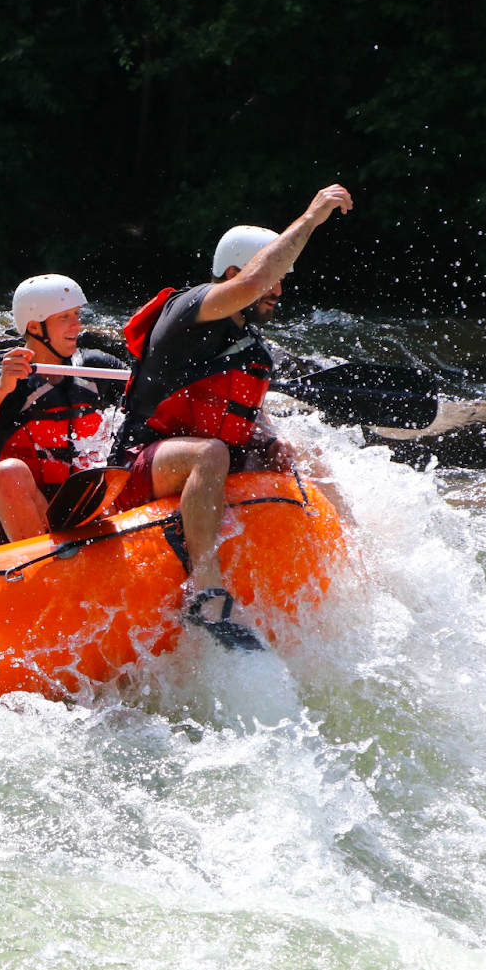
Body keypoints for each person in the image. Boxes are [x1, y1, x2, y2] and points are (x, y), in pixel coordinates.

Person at [109, 184, 355, 651]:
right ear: (238, 272)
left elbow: (248, 416)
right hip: (142, 467)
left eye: (282, 279)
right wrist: (310, 218)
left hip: (209, 470)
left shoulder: (255, 351)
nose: (278, 289)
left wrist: (269, 444)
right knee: (212, 453)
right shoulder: (188, 309)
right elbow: (249, 286)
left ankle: (355, 563)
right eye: (273, 276)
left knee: (307, 453)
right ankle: (205, 589)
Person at [0, 274, 127, 541]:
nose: (77, 325)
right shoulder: (4, 378)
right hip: (29, 513)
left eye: (77, 314)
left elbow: (147, 403)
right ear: (34, 327)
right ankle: (38, 568)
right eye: (64, 317)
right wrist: (1, 388)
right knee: (9, 471)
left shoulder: (95, 366)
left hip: (88, 507)